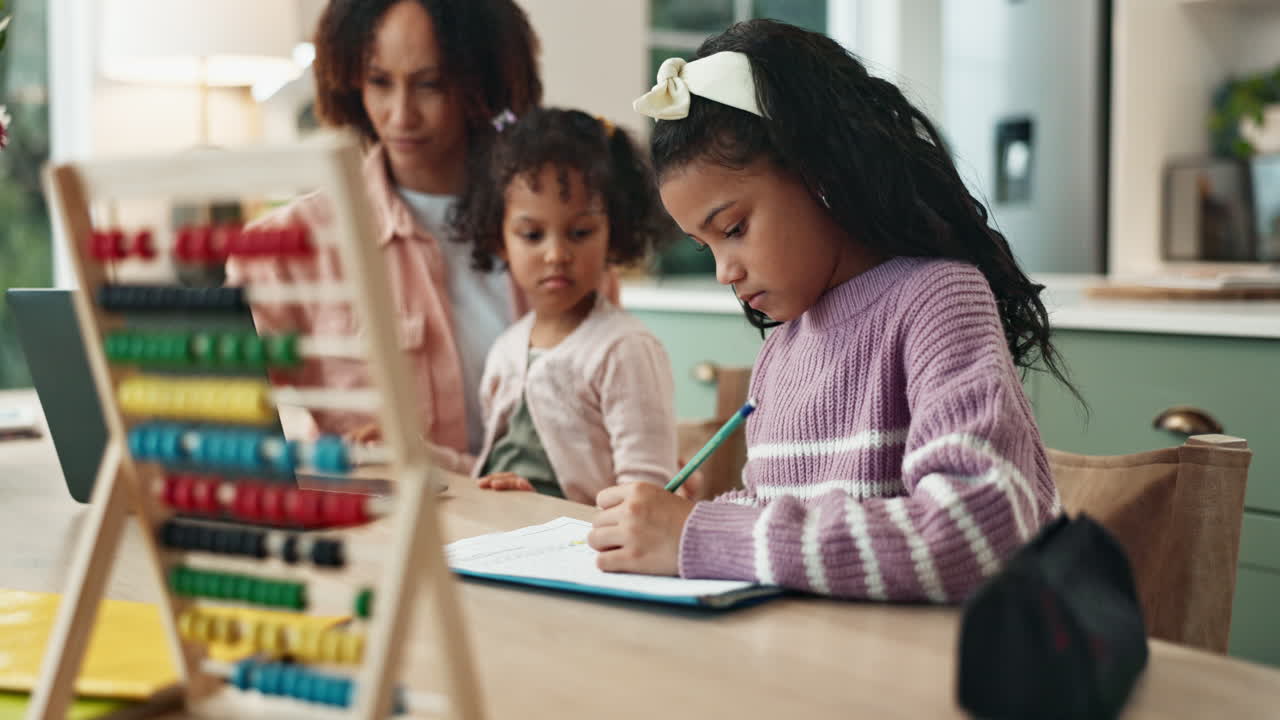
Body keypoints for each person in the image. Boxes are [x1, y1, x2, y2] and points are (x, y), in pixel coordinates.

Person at [588, 20, 1073, 603]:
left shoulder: (938, 300)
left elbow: (972, 530)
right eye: (707, 246)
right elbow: (784, 514)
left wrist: (704, 535)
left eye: (734, 228)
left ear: (820, 175)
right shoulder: (783, 351)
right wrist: (689, 519)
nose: (725, 271)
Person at [228, 0, 582, 460]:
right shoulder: (287, 247)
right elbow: (228, 422)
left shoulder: (564, 230)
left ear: (482, 82)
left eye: (430, 85)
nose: (400, 115)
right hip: (387, 525)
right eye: (379, 82)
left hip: (546, 522)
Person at [452, 108, 677, 504]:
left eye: (580, 232)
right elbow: (485, 468)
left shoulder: (624, 350)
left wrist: (536, 506)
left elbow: (646, 494)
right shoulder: (505, 349)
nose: (556, 254)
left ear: (615, 231)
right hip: (497, 540)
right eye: (532, 234)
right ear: (499, 237)